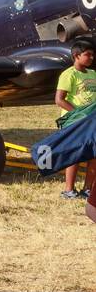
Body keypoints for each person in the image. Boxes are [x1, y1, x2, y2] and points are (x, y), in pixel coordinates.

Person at [54, 40, 96, 199]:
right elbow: (59, 100)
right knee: (75, 155)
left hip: (92, 121)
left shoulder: (93, 74)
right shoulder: (68, 74)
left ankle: (87, 189)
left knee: (94, 154)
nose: (91, 58)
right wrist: (79, 114)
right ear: (76, 56)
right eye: (87, 55)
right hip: (75, 121)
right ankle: (69, 190)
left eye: (92, 55)